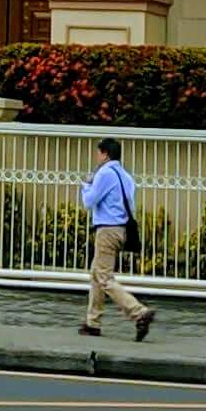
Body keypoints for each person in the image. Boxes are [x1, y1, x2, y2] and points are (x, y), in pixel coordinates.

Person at [80, 136, 154, 342]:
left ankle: (139, 312)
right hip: (122, 229)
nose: (96, 156)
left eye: (98, 152)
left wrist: (85, 185)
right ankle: (92, 322)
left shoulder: (104, 173)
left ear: (104, 153)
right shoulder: (126, 176)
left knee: (104, 277)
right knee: (96, 274)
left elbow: (89, 201)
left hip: (107, 229)